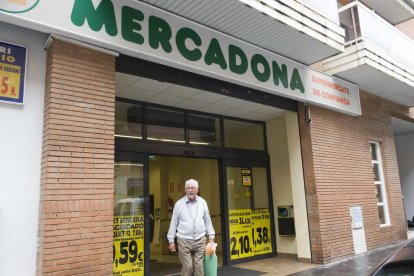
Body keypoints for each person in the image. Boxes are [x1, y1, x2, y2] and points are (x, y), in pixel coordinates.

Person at [167, 179, 215, 276]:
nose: (190, 190)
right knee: (188, 267)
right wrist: (171, 240)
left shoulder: (203, 203)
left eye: (192, 188)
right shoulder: (179, 204)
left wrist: (211, 237)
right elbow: (173, 222)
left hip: (200, 240)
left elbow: (207, 220)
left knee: (199, 268)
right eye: (188, 188)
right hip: (183, 240)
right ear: (185, 190)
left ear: (197, 189)